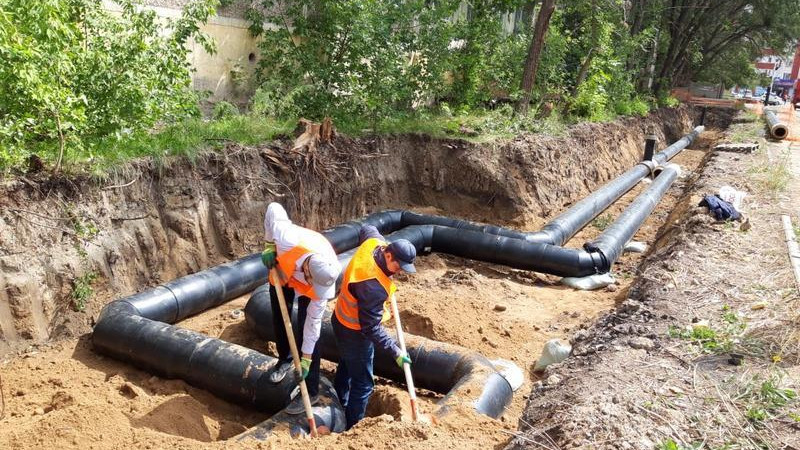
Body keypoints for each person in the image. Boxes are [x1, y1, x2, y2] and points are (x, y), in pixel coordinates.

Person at [331, 224, 417, 430]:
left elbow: (367, 227)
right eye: (398, 266)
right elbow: (370, 328)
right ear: (388, 255)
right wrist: (395, 351)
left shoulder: (374, 243)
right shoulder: (372, 286)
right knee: (363, 384)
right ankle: (352, 428)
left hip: (340, 318)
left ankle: (338, 402)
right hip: (355, 332)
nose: (399, 271)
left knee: (347, 363)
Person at [261, 202, 341, 414]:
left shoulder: (325, 280)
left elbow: (313, 326)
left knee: (308, 329)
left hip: (303, 279)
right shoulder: (286, 238)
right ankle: (284, 360)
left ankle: (310, 389)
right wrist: (269, 245)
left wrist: (305, 359)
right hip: (282, 271)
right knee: (280, 316)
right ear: (307, 270)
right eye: (311, 281)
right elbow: (274, 208)